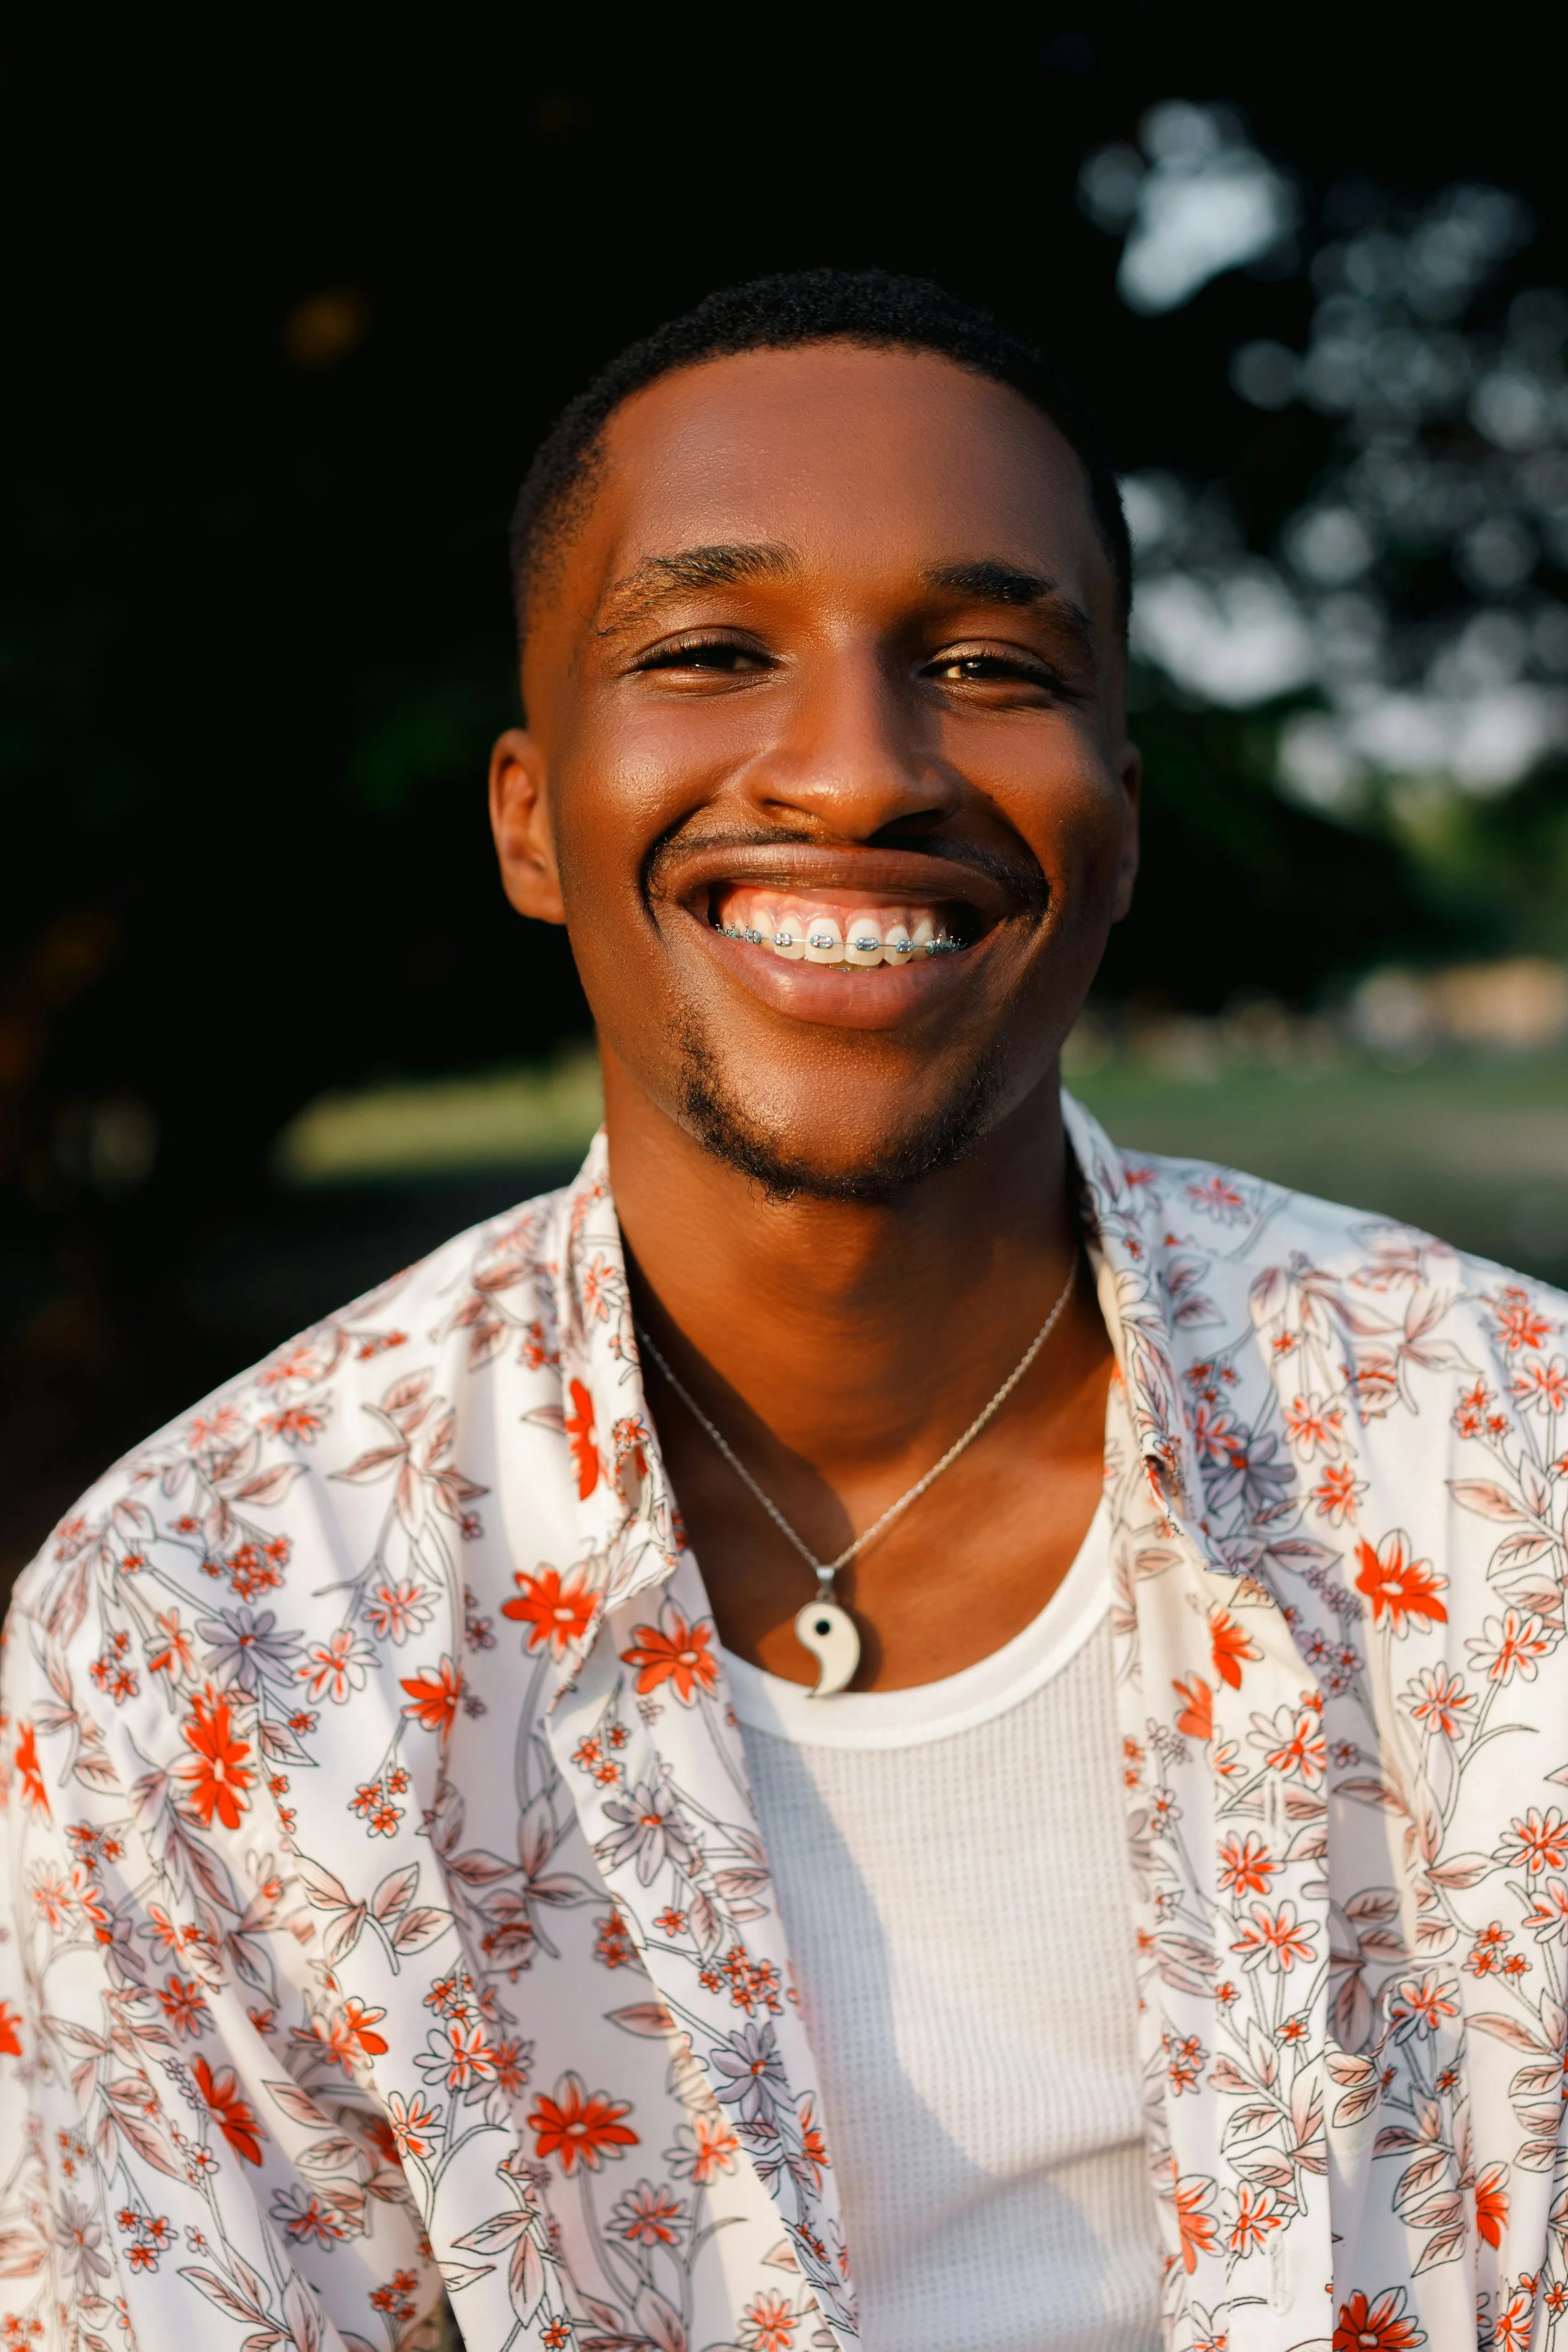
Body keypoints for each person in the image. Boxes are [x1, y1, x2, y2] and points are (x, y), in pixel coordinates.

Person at [2, 270, 1564, 2352]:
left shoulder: (1505, 1464)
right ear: (530, 818)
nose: (855, 772)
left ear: (1116, 804)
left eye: (992, 662)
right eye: (708, 651)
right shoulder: (207, 1621)